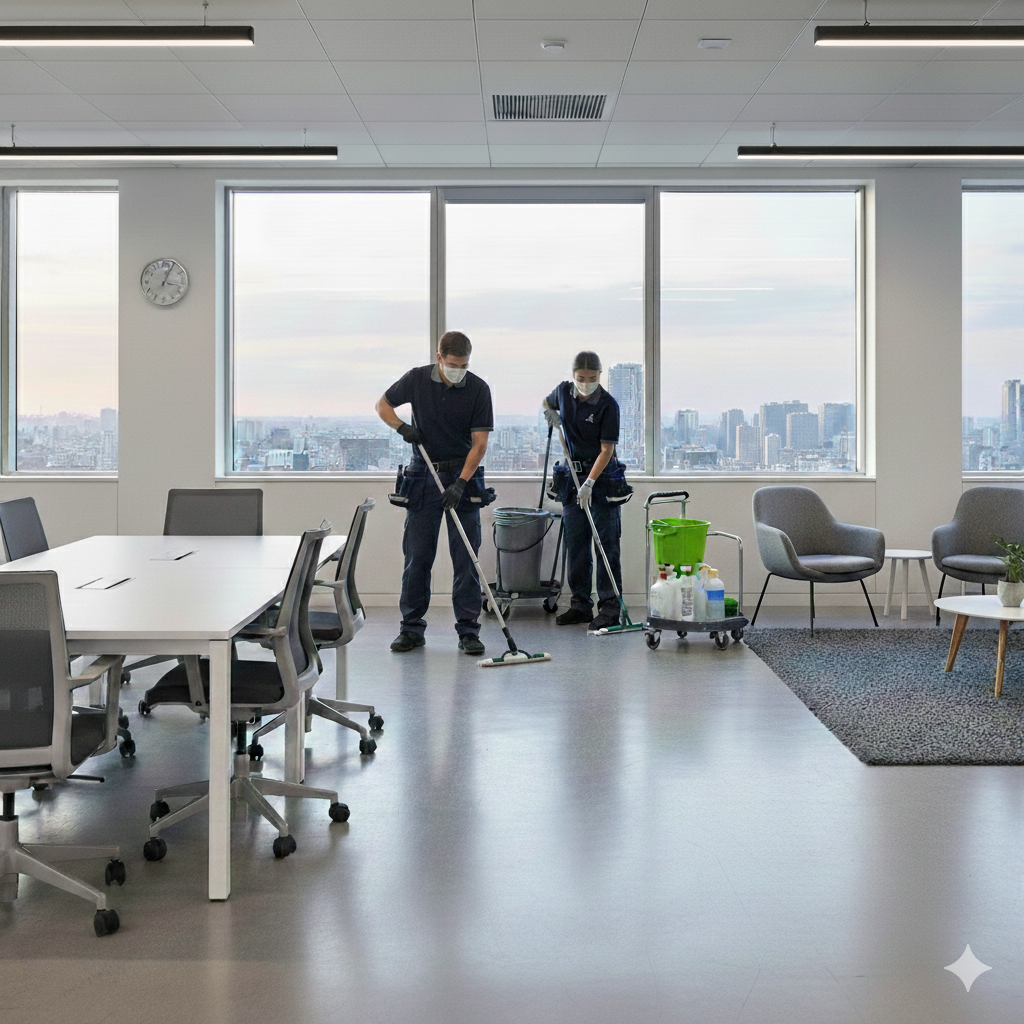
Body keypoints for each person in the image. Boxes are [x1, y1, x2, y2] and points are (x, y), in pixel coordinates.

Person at [376, 330, 493, 655]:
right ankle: (411, 629)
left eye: (464, 365)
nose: (459, 370)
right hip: (423, 475)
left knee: (465, 558)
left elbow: (480, 443)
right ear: (440, 358)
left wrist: (460, 483)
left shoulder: (478, 389)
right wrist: (402, 427)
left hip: (463, 474)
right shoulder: (416, 379)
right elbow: (382, 405)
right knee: (417, 557)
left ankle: (468, 631)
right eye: (453, 364)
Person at [543, 351, 625, 631]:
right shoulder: (564, 393)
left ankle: (610, 608)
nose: (586, 384)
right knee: (576, 545)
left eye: (591, 379)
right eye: (580, 379)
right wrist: (549, 413)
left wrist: (589, 483)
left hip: (601, 481)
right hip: (571, 479)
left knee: (606, 547)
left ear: (600, 376)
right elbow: (547, 401)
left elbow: (607, 450)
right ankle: (580, 604)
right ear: (573, 375)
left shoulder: (608, 405)